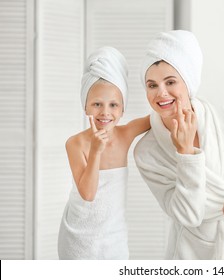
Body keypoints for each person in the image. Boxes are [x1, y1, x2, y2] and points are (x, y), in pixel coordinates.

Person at [134, 30, 224, 259]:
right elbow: (189, 215)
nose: (161, 93)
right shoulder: (147, 153)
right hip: (194, 254)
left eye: (170, 82)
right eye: (152, 85)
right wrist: (186, 154)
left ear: (188, 82)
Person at [58, 46, 150, 259]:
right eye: (97, 104)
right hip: (79, 238)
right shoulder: (75, 144)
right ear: (86, 107)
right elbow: (88, 194)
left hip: (114, 237)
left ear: (122, 109)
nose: (105, 112)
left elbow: (158, 118)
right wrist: (96, 152)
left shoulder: (125, 134)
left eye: (113, 105)